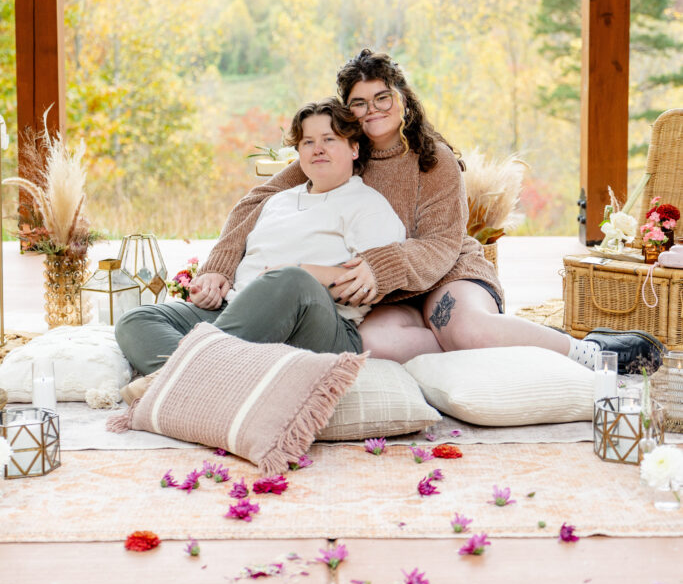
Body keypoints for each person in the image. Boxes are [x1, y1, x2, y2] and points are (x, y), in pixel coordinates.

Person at [194, 49, 665, 374]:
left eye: (383, 97)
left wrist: (380, 265)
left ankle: (584, 352)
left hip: (444, 272)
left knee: (466, 327)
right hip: (387, 293)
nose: (373, 109)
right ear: (348, 114)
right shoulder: (339, 153)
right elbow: (255, 200)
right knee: (373, 347)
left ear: (402, 98)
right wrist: (220, 264)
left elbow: (441, 243)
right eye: (359, 103)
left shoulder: (433, 159)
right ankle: (496, 343)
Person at [115, 98, 405, 380]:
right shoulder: (278, 201)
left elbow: (370, 282)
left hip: (318, 328)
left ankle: (177, 377)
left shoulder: (368, 205)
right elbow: (244, 256)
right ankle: (198, 379)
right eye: (308, 142)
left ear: (354, 148)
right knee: (136, 320)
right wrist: (219, 283)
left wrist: (295, 274)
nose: (318, 149)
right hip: (235, 312)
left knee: (291, 280)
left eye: (329, 139)